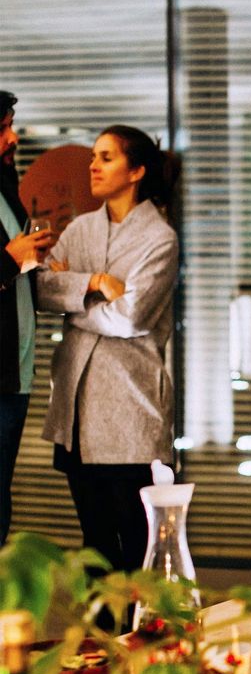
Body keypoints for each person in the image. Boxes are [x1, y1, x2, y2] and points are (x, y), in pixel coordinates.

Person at [37, 125, 178, 571]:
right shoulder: (80, 229)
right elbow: (40, 289)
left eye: (106, 157)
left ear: (136, 171)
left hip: (129, 415)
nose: (93, 166)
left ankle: (139, 621)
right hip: (76, 412)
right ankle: (101, 620)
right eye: (93, 157)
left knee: (138, 550)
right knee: (94, 545)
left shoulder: (160, 238)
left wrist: (72, 299)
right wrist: (96, 283)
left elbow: (131, 317)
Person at [0, 90, 55, 543]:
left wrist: (33, 260)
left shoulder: (4, 183)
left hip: (14, 373)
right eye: (2, 128)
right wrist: (8, 259)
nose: (13, 137)